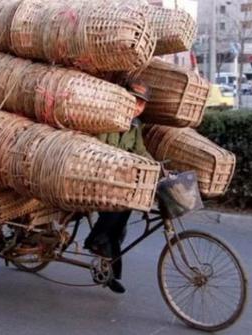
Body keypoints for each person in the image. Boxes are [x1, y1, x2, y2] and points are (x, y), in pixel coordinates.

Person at [84, 80, 154, 294]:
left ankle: (107, 269)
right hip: (96, 176)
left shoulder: (135, 126)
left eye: (141, 104)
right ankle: (95, 242)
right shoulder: (109, 119)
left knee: (122, 215)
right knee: (116, 210)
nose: (136, 107)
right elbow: (98, 148)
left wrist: (157, 167)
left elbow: (140, 152)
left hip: (117, 181)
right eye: (133, 101)